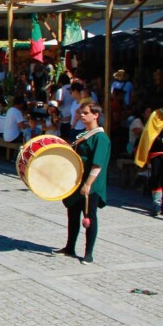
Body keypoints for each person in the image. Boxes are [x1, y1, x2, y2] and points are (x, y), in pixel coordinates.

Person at [55, 101, 111, 264]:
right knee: (72, 213)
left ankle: (88, 253)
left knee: (89, 217)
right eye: (81, 112)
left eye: (85, 113)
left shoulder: (100, 138)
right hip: (76, 181)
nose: (82, 115)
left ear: (96, 115)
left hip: (91, 184)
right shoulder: (82, 135)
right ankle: (69, 247)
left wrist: (88, 184)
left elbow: (97, 164)